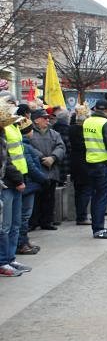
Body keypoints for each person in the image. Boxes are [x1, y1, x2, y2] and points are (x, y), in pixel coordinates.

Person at [83, 100, 107, 240]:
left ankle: (98, 226)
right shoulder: (105, 123)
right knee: (101, 197)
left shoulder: (87, 121)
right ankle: (98, 228)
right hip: (103, 164)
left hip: (91, 162)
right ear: (106, 110)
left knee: (95, 196)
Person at [0, 100, 30, 277]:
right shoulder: (6, 132)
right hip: (8, 182)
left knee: (14, 224)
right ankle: (3, 260)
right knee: (5, 225)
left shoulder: (11, 129)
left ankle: (10, 258)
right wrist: (17, 179)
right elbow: (7, 161)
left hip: (17, 178)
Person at [28, 109, 66, 230]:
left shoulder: (54, 133)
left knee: (49, 198)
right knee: (36, 199)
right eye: (44, 118)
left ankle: (47, 221)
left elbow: (61, 147)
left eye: (48, 118)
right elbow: (28, 147)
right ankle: (33, 222)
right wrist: (42, 158)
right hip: (37, 170)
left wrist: (53, 157)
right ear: (36, 120)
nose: (47, 120)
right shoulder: (30, 133)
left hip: (52, 170)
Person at [16, 118, 47, 255]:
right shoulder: (25, 146)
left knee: (23, 216)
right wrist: (43, 178)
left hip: (27, 183)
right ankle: (22, 243)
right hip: (28, 184)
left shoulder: (25, 144)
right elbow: (31, 167)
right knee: (24, 216)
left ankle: (24, 241)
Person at [69, 103, 92, 225]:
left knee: (78, 190)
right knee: (85, 190)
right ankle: (82, 216)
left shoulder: (71, 129)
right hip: (85, 162)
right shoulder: (85, 131)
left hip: (74, 162)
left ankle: (80, 214)